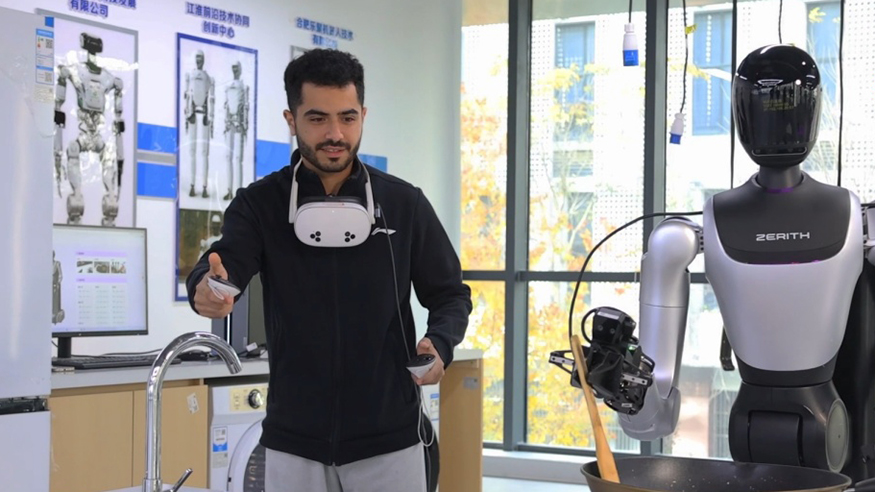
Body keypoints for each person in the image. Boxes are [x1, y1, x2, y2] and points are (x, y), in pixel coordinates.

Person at [185, 48, 472, 492]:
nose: (335, 134)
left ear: (363, 116)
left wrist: (441, 342)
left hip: (390, 440)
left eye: (348, 118)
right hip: (293, 442)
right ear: (291, 119)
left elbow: (450, 293)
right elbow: (225, 265)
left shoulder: (404, 203)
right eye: (317, 118)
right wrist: (205, 286)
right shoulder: (260, 204)